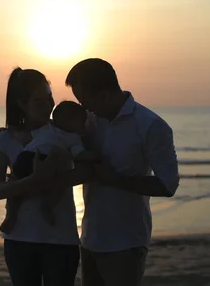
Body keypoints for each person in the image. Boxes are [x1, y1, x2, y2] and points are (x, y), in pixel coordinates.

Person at [35, 58, 180, 286]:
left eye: (86, 102)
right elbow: (54, 132)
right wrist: (14, 131)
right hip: (90, 238)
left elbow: (167, 184)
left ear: (103, 95)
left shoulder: (151, 126)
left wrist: (115, 180)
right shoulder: (89, 121)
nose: (83, 109)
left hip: (126, 242)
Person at [0, 67, 90, 286]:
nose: (48, 106)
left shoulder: (64, 132)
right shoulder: (5, 139)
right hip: (19, 240)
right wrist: (33, 181)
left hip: (61, 238)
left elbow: (86, 170)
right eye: (38, 102)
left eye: (49, 98)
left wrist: (45, 182)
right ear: (21, 104)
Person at [0, 100, 98, 233]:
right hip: (44, 161)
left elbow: (24, 136)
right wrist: (95, 156)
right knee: (57, 189)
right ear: (70, 122)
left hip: (24, 158)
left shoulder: (46, 127)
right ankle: (47, 206)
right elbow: (79, 155)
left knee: (17, 188)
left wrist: (9, 131)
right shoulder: (73, 138)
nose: (84, 125)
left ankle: (11, 215)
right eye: (82, 122)